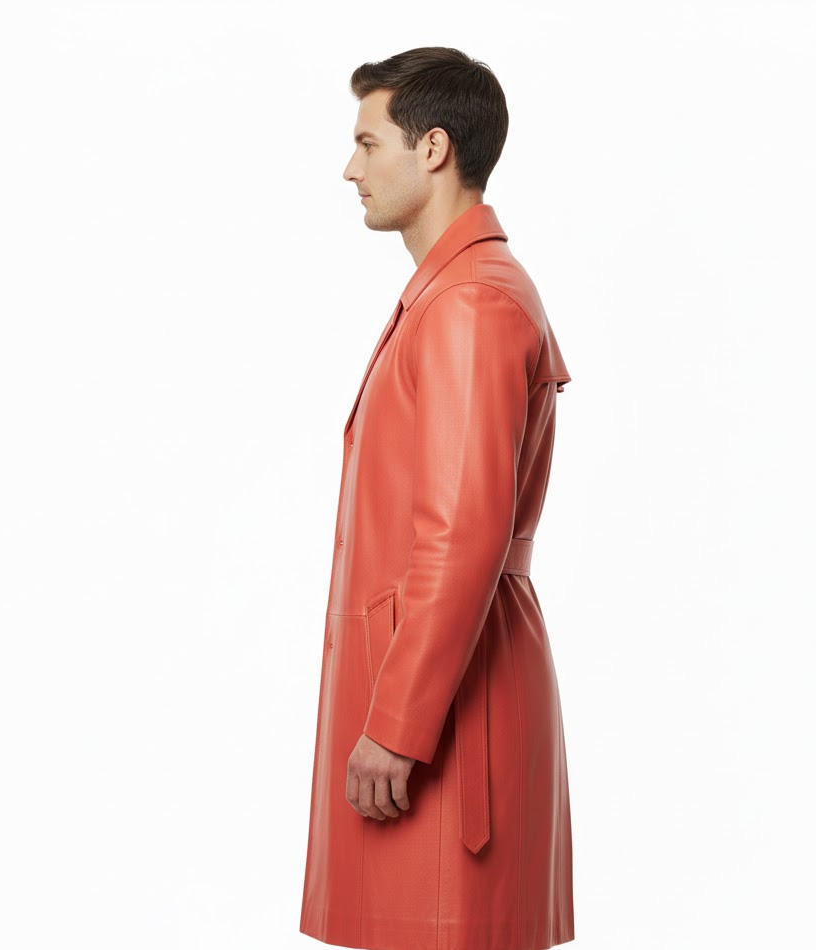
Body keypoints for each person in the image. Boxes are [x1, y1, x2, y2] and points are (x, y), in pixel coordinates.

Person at [300, 46, 575, 950]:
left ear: (432, 149)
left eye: (367, 142)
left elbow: (462, 536)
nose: (350, 169)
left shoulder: (470, 305)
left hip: (443, 712)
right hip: (428, 692)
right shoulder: (451, 295)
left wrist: (398, 725)